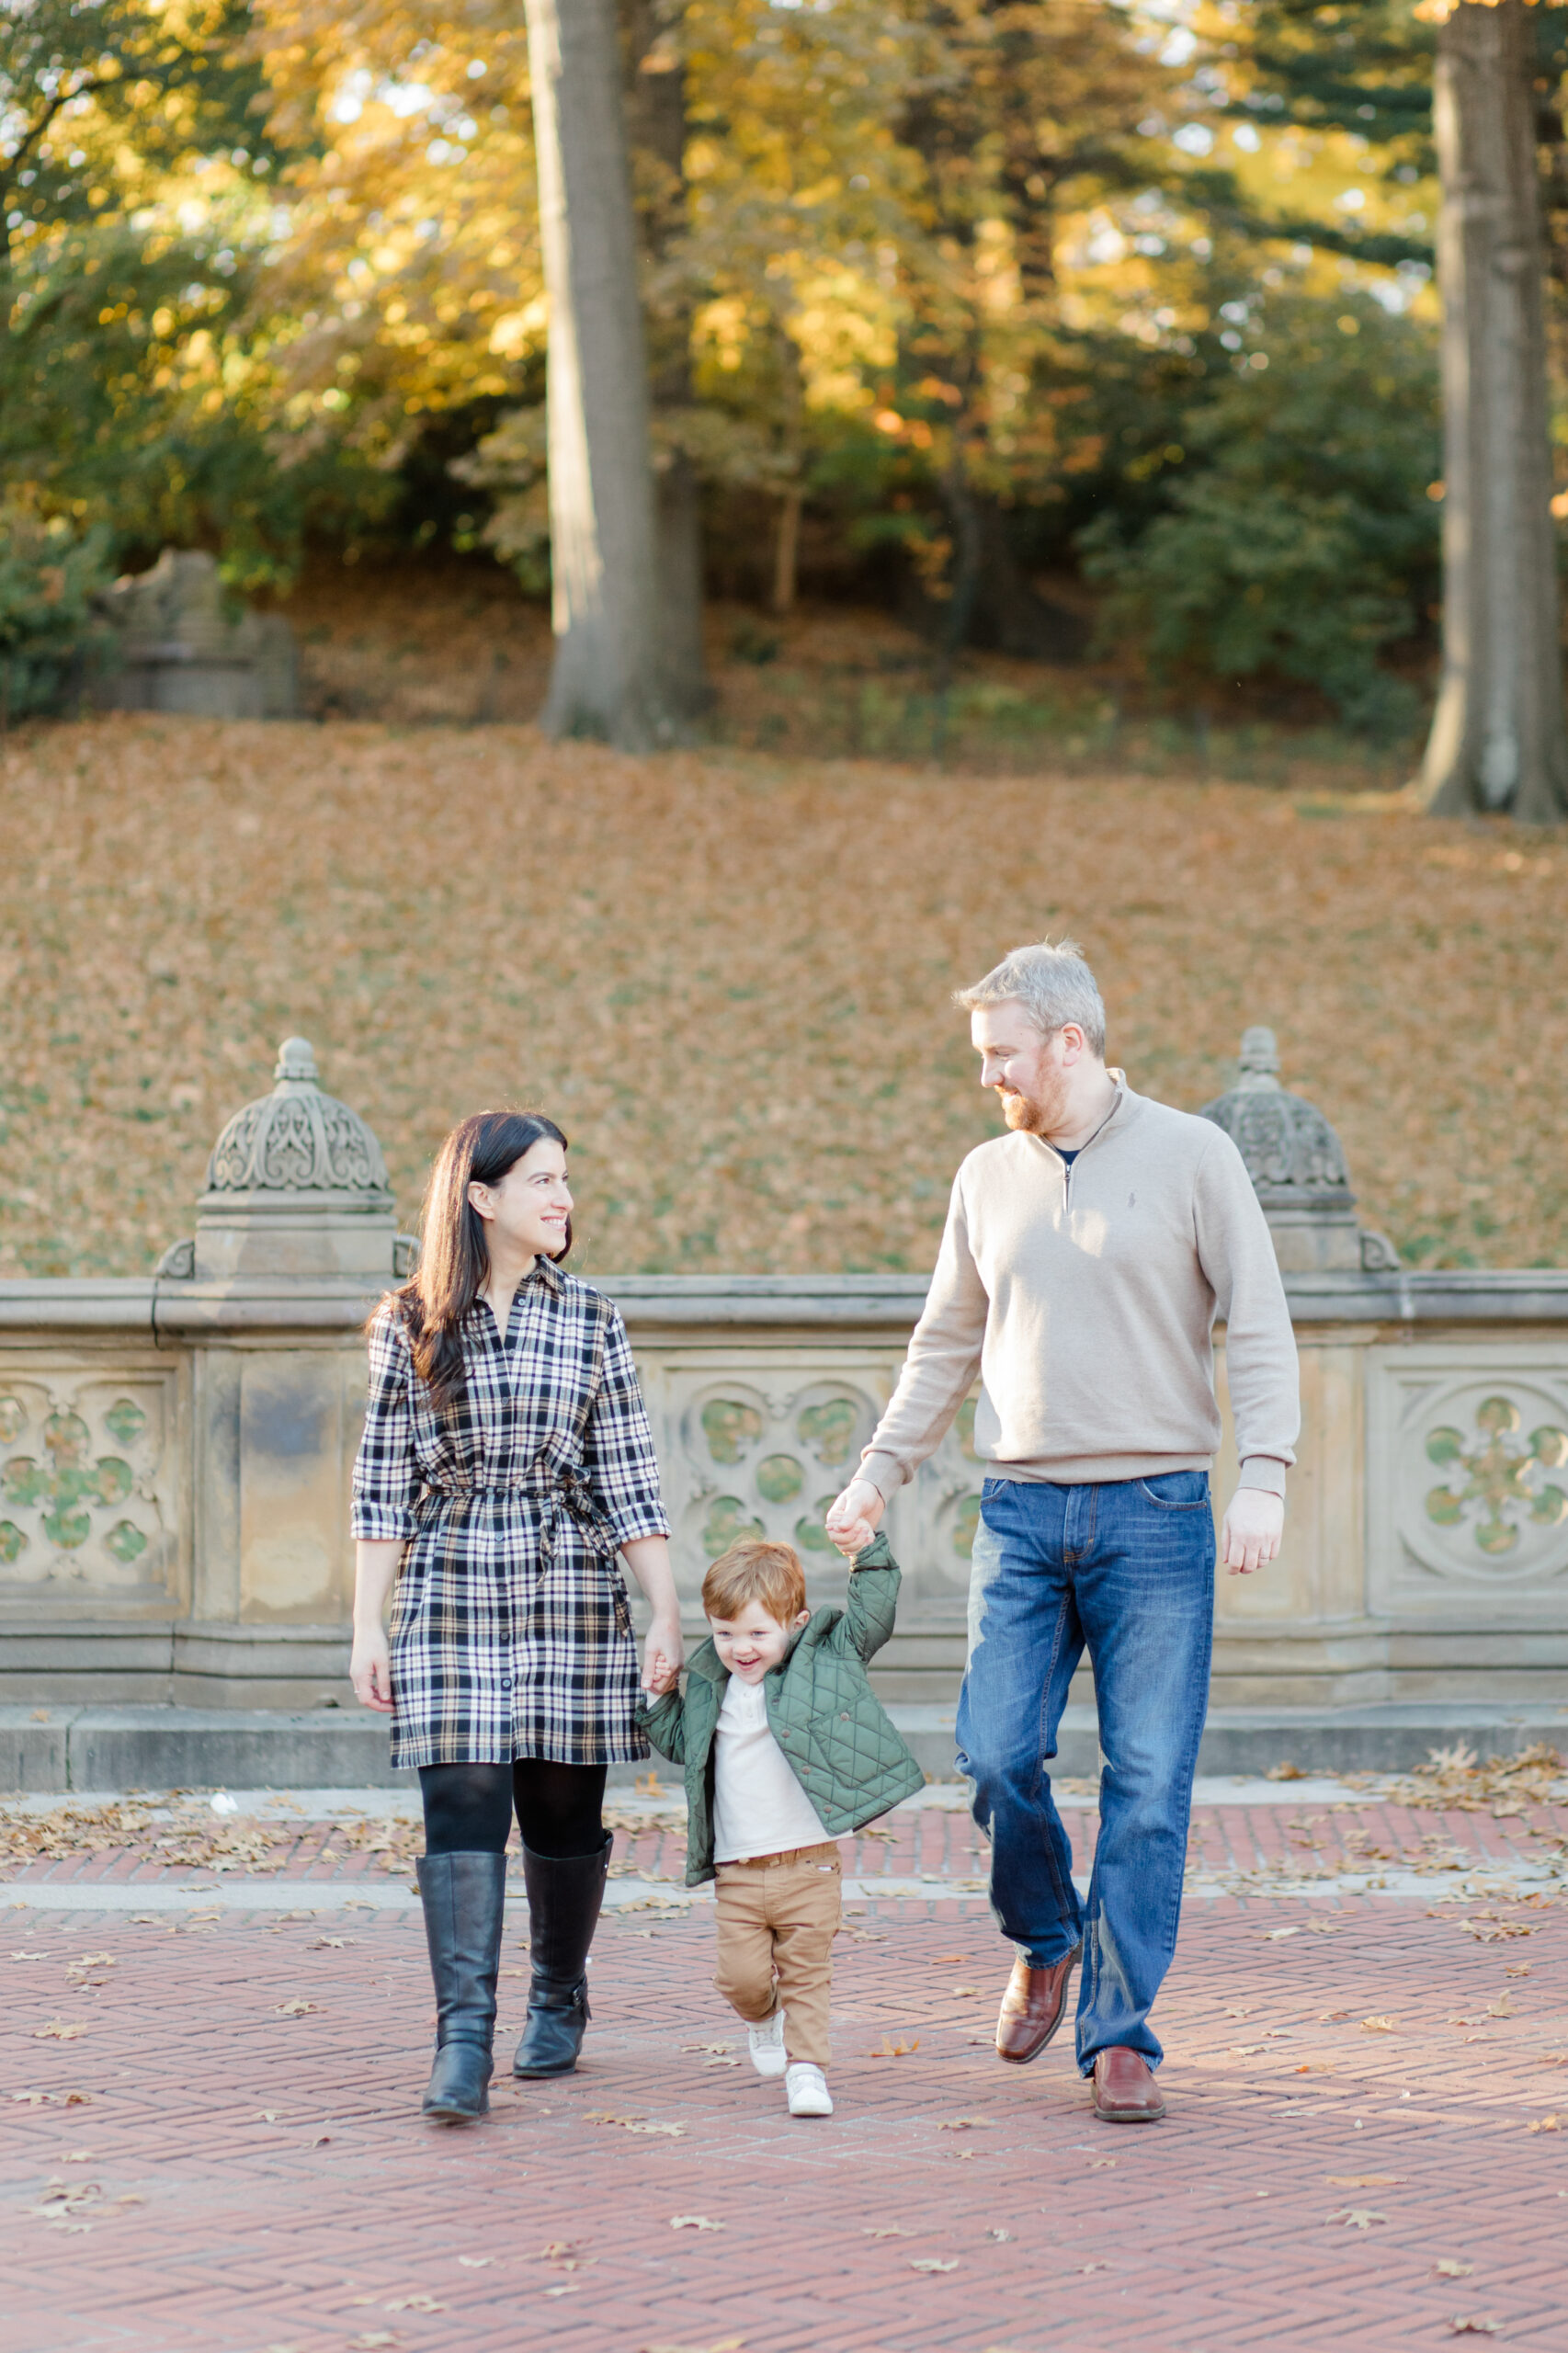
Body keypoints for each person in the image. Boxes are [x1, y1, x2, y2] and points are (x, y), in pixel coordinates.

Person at [826, 940, 1299, 2124]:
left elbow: (1258, 1325)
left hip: (1156, 1513)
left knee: (1146, 1784)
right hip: (1023, 1514)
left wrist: (1266, 1478)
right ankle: (1045, 1937)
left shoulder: (1195, 1154)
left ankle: (1119, 2033)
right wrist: (878, 1471)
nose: (987, 1078)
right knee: (992, 1751)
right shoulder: (985, 1173)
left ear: (1069, 1043)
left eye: (1000, 1056)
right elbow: (943, 1342)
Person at [349, 1109, 683, 2123]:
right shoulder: (407, 1322)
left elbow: (628, 1475)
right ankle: (461, 2040)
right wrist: (368, 1625)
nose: (564, 1199)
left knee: (558, 1809)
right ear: (481, 1198)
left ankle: (557, 1991)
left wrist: (663, 1610)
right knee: (460, 1799)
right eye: (542, 1181)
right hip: (450, 1574)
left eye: (565, 1179)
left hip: (566, 1579)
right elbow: (381, 1482)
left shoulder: (590, 1317)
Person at [640, 1533, 923, 2119]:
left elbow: (873, 1613)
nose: (740, 1648)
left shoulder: (826, 1658)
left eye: (757, 1633)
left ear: (793, 1623)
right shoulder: (709, 1690)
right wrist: (662, 1697)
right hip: (738, 1870)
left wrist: (866, 1549)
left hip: (809, 1864)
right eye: (724, 1634)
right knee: (739, 1979)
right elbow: (680, 1748)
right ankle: (763, 2018)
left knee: (807, 1977)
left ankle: (807, 2071)